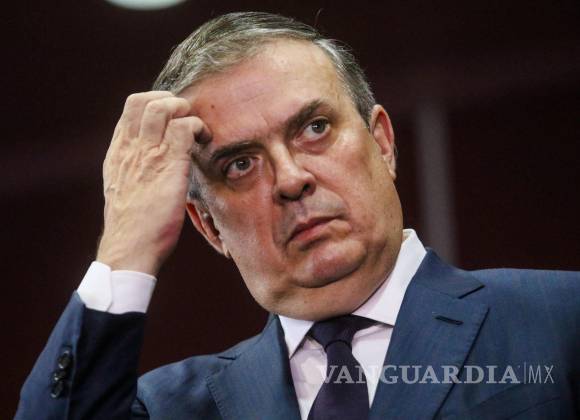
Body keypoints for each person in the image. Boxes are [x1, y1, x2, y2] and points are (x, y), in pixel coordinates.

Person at [16, 11, 580, 420]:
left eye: (314, 128)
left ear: (382, 142)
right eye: (240, 164)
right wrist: (125, 246)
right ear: (208, 226)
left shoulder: (560, 321)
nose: (290, 179)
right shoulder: (170, 407)